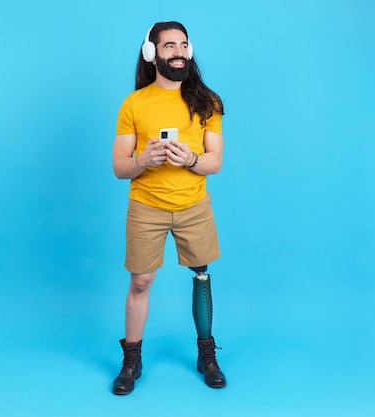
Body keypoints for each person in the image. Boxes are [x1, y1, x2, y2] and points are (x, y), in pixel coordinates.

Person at [111, 21, 227, 395]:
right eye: (168, 46)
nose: (177, 51)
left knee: (201, 274)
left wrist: (192, 158)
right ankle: (132, 359)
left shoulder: (207, 101)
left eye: (183, 45)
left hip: (193, 203)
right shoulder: (134, 103)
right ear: (152, 54)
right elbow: (119, 166)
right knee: (140, 281)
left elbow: (215, 162)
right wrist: (142, 160)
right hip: (146, 205)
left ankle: (206, 354)